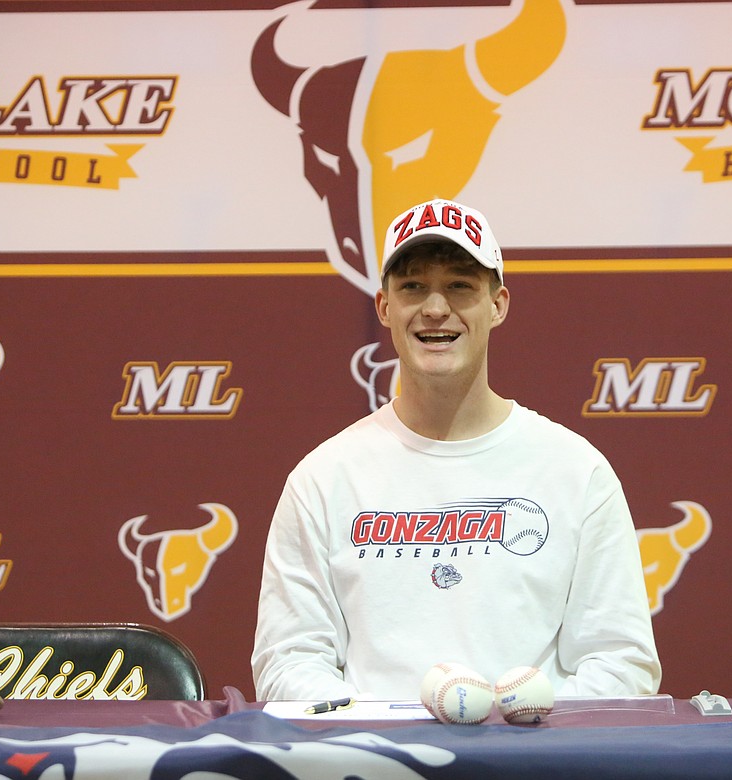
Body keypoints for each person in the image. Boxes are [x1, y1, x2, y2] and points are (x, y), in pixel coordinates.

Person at [251, 198, 661, 701]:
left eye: (460, 286)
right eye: (413, 286)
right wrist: (379, 734)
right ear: (384, 306)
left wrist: (525, 723)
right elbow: (288, 660)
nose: (436, 307)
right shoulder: (323, 478)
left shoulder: (576, 471)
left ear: (498, 304)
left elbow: (621, 661)